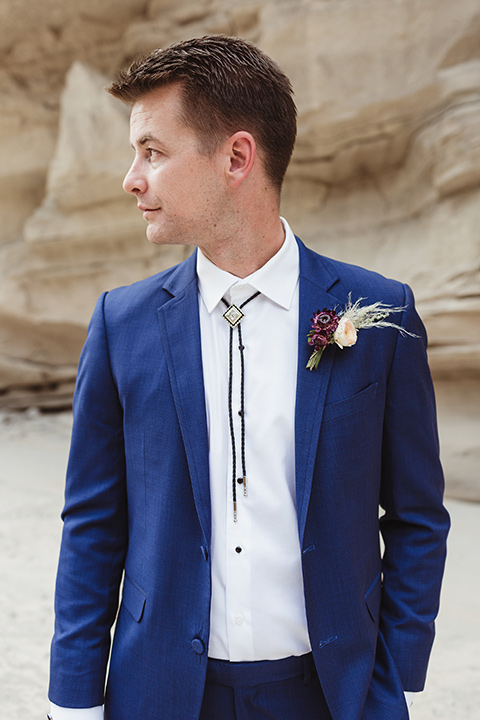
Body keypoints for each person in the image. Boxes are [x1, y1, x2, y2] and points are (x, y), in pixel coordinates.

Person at [48, 35, 449, 720]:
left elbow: (416, 518)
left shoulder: (377, 314)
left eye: (152, 151)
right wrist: (74, 700)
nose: (131, 178)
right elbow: (92, 525)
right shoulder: (123, 324)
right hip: (162, 694)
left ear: (236, 157)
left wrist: (397, 674)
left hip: (334, 693)